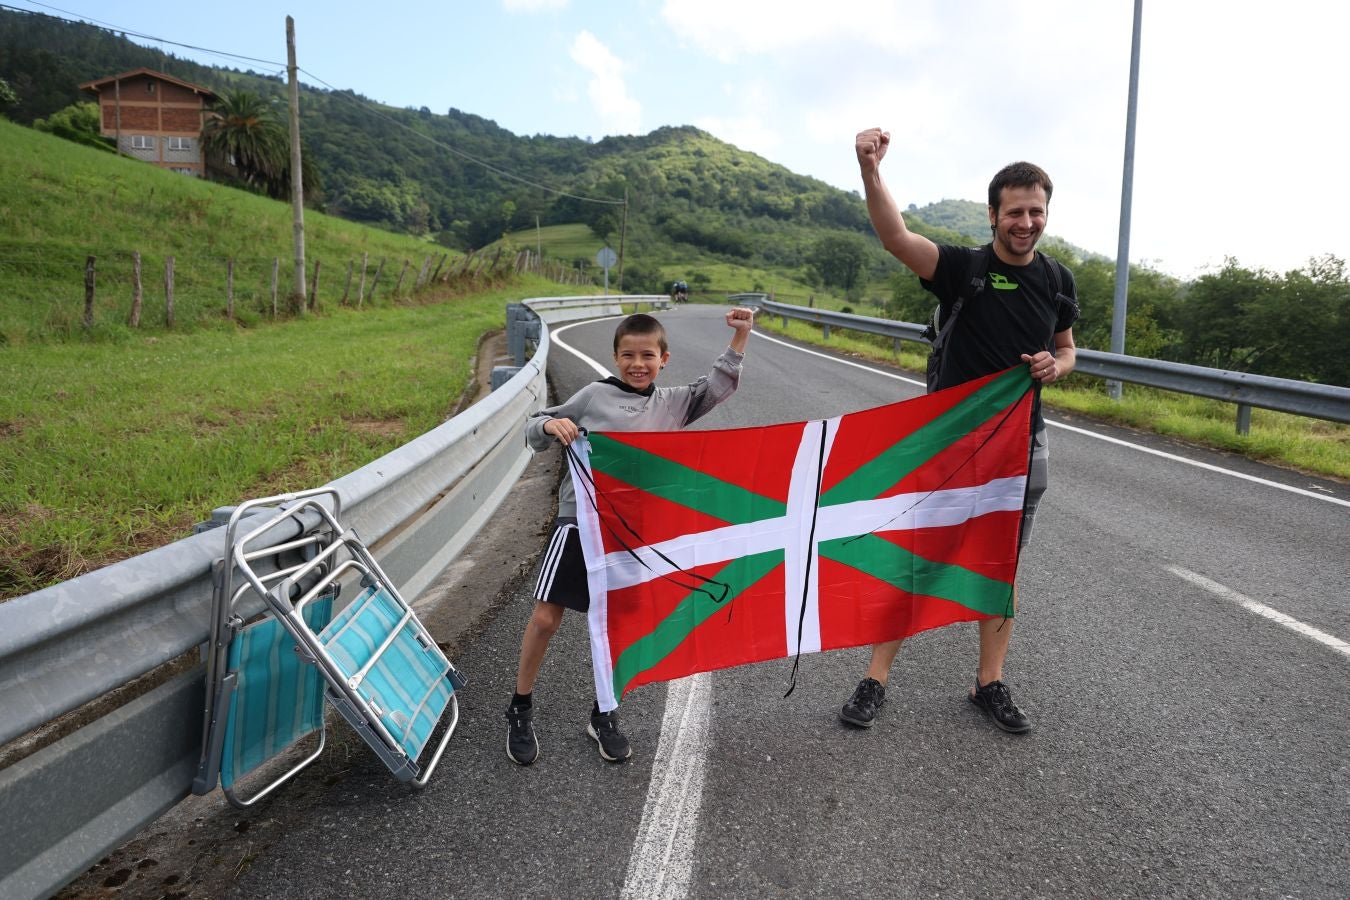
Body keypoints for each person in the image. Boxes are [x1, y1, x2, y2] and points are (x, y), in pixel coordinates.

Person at [839, 127, 1079, 735]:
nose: (1026, 222)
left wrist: (1059, 364)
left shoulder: (1057, 279)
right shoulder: (963, 269)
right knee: (917, 556)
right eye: (1015, 212)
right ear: (994, 214)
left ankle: (988, 683)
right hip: (947, 444)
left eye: (1036, 211)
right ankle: (875, 678)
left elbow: (1069, 350)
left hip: (1022, 444)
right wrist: (870, 170)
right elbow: (895, 236)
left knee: (1001, 565)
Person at [506, 307, 755, 765]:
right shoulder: (593, 396)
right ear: (616, 358)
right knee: (546, 619)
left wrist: (740, 338)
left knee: (620, 627)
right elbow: (534, 428)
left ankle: (604, 712)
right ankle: (519, 707)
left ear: (664, 359)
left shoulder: (674, 403)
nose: (637, 364)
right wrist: (548, 425)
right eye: (627, 355)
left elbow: (718, 386)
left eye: (647, 355)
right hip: (580, 523)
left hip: (635, 535)